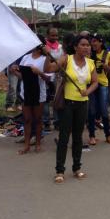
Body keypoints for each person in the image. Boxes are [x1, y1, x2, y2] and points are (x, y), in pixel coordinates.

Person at [44, 35, 98, 183]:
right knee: (64, 137)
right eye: (83, 45)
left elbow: (95, 82)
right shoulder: (66, 59)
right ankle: (60, 170)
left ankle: (77, 168)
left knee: (78, 137)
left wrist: (88, 91)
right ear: (75, 47)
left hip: (82, 103)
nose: (87, 47)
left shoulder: (91, 63)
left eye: (88, 45)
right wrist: (47, 55)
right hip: (67, 103)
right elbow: (49, 69)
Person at [17, 36, 49, 154]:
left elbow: (48, 79)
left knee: (38, 119)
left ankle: (38, 143)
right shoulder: (25, 57)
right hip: (26, 92)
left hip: (38, 93)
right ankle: (26, 145)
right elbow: (22, 77)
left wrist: (39, 72)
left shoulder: (44, 59)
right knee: (27, 119)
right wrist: (15, 71)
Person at [87, 33, 110, 145]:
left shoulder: (108, 54)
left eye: (95, 41)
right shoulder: (89, 54)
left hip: (103, 84)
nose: (93, 43)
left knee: (104, 109)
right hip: (91, 84)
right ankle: (92, 136)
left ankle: (108, 134)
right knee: (92, 110)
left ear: (101, 42)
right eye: (92, 41)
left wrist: (106, 67)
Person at [43, 28, 64, 131]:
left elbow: (61, 61)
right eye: (52, 35)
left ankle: (57, 121)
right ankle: (46, 122)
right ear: (47, 35)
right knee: (46, 99)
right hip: (44, 75)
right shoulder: (43, 47)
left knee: (56, 99)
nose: (55, 37)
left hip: (56, 76)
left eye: (56, 35)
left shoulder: (60, 47)